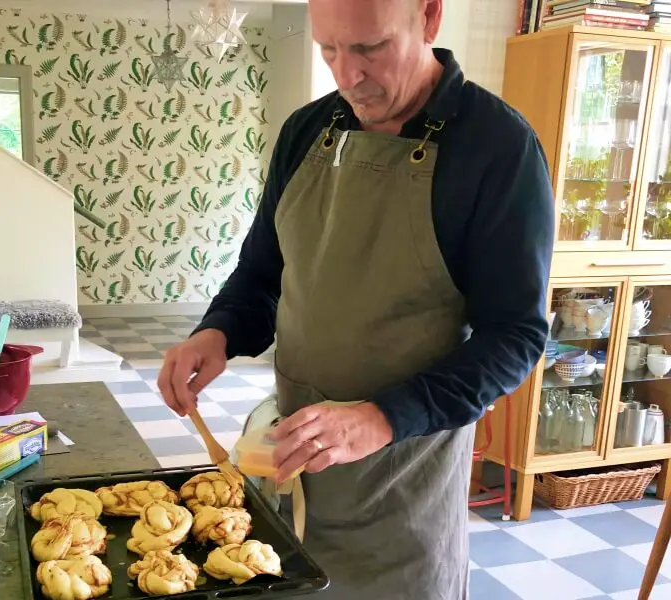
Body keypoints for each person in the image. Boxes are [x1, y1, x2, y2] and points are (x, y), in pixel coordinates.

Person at [157, 0, 554, 597]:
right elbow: (264, 272)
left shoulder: (497, 147)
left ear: (429, 17)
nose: (348, 76)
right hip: (291, 462)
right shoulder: (306, 131)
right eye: (330, 50)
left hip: (402, 490)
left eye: (370, 48)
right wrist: (217, 332)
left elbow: (515, 337)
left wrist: (381, 417)